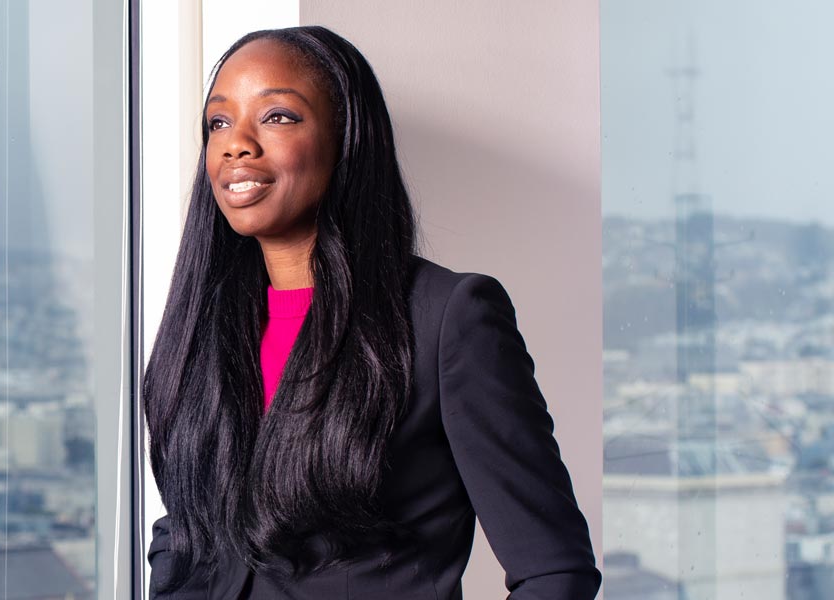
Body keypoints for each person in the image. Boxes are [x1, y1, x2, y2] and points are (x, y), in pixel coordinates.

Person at [142, 26, 600, 599]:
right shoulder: (203, 328)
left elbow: (554, 572)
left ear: (346, 138)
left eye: (278, 116)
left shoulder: (446, 319)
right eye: (218, 122)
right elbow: (186, 539)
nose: (237, 143)